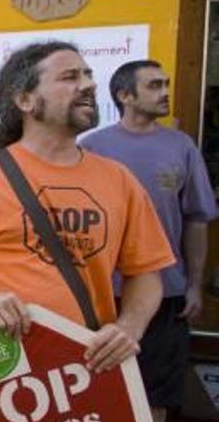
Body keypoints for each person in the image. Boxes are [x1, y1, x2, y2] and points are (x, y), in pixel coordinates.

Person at [0, 42, 176, 374]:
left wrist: (129, 327)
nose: (89, 84)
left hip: (87, 367)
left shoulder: (120, 181)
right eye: (70, 76)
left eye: (88, 75)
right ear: (25, 100)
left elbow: (147, 273)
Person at [80, 60, 217, 421]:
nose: (165, 92)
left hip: (165, 293)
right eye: (155, 85)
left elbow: (196, 221)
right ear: (125, 95)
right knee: (95, 388)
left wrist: (193, 285)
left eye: (166, 84)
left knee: (154, 393)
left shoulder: (181, 146)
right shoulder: (92, 147)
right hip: (102, 293)